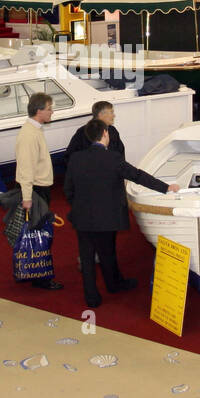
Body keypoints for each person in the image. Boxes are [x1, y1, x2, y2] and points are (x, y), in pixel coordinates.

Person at [64, 118, 177, 308]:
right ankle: (113, 285)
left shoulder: (76, 159)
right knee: (107, 253)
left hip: (82, 217)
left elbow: (68, 189)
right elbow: (138, 176)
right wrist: (166, 187)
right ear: (105, 134)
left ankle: (91, 297)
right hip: (107, 217)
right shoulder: (114, 158)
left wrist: (78, 207)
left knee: (87, 256)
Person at [15, 91, 63, 290]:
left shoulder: (34, 130)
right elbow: (26, 169)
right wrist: (27, 198)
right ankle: (40, 277)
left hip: (37, 190)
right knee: (39, 235)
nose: (52, 112)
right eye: (49, 109)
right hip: (35, 192)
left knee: (38, 233)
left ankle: (37, 273)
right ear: (38, 111)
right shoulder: (29, 135)